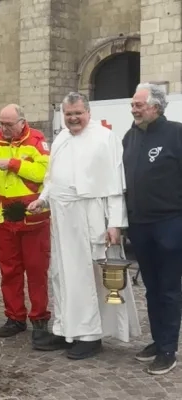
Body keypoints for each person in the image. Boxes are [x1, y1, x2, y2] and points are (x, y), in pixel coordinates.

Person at [29, 92, 141, 360]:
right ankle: (65, 328)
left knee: (85, 277)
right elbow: (51, 177)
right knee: (61, 274)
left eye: (78, 113)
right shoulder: (61, 139)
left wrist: (115, 223)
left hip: (90, 216)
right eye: (68, 114)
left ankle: (90, 335)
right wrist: (43, 199)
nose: (73, 118)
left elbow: (115, 185)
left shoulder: (105, 138)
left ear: (87, 112)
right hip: (62, 216)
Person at [0, 104, 51, 346]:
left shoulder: (37, 141)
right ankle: (15, 317)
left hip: (33, 218)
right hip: (4, 218)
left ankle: (39, 319)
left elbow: (45, 173)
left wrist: (13, 164)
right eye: (1, 124)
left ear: (22, 122)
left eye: (8, 124)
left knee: (36, 271)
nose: (4, 129)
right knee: (9, 271)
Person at [122, 83, 182, 375]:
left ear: (155, 107)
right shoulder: (129, 137)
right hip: (140, 225)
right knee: (152, 287)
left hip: (170, 223)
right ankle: (158, 341)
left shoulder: (176, 134)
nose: (133, 109)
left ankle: (169, 349)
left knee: (169, 288)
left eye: (138, 105)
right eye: (133, 105)